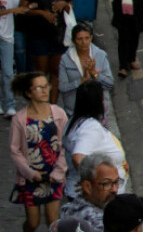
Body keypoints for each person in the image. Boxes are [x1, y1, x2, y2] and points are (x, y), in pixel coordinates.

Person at [9, 71, 67, 231]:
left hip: (54, 177)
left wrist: (59, 171)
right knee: (33, 223)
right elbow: (15, 150)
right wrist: (29, 173)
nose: (45, 90)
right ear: (29, 93)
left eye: (46, 86)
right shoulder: (19, 119)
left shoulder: (58, 114)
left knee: (53, 221)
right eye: (39, 87)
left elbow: (66, 144)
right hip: (30, 179)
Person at [18, 0, 72, 103]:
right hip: (38, 35)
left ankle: (52, 106)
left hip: (58, 35)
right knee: (41, 73)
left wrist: (64, 4)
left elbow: (71, 5)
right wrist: (42, 13)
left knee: (56, 72)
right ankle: (40, 104)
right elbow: (23, 8)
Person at [62, 82, 127, 200]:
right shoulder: (91, 128)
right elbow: (78, 158)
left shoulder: (75, 122)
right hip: (100, 199)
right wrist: (95, 183)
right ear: (99, 102)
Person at [101, 0, 143, 78]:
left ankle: (131, 59)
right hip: (122, 17)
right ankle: (123, 66)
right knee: (123, 41)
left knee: (134, 38)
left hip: (136, 16)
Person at [56, 25, 114, 115]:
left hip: (97, 111)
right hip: (74, 112)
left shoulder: (101, 55)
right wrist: (81, 81)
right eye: (79, 39)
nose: (84, 42)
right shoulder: (65, 59)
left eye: (87, 38)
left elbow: (109, 84)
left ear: (91, 38)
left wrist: (95, 74)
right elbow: (62, 87)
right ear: (73, 40)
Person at [57, 152, 119, 230]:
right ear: (87, 186)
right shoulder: (99, 222)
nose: (115, 189)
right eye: (106, 184)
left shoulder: (67, 208)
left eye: (116, 182)